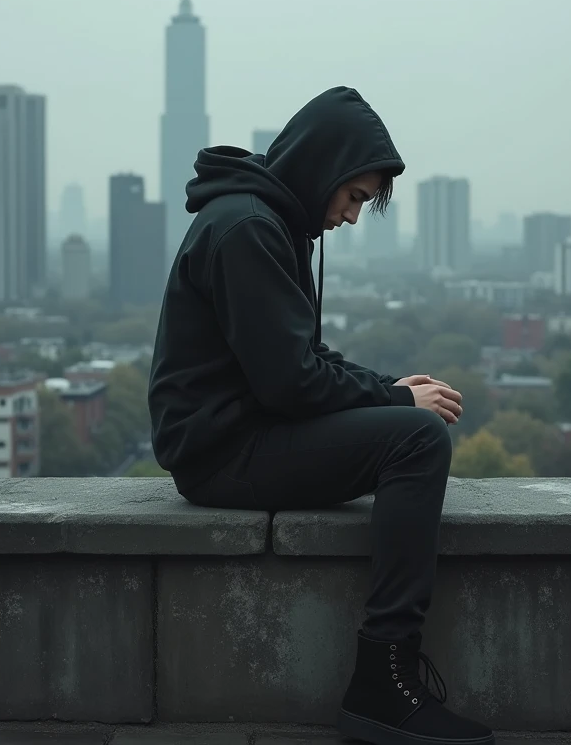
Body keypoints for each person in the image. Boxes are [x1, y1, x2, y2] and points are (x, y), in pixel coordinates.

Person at [149, 86, 494, 745]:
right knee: (416, 442)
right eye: (355, 197)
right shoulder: (248, 229)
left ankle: (384, 683)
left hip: (242, 434)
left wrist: (388, 386)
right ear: (321, 168)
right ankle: (383, 683)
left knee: (410, 423)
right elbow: (289, 382)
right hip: (222, 453)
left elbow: (300, 358)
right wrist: (397, 403)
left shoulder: (265, 221)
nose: (353, 216)